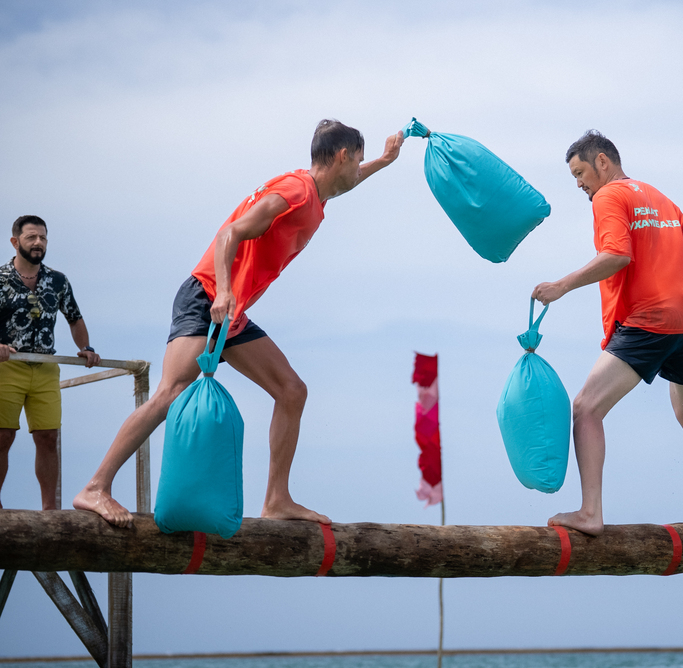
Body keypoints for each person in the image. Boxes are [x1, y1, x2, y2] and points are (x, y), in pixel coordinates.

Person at [74, 119, 404, 528]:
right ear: (341, 156)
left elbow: (348, 183)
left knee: (291, 391)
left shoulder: (314, 193)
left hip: (232, 312)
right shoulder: (296, 192)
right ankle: (95, 487)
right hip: (209, 295)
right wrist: (226, 291)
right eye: (357, 159)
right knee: (171, 392)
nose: (358, 168)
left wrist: (384, 162)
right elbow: (230, 232)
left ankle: (277, 499)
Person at [532, 130, 683, 536]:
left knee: (586, 408)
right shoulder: (659, 196)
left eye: (581, 172)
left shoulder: (609, 197)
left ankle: (590, 513)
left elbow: (616, 255)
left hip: (649, 319)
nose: (579, 183)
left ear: (602, 161)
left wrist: (562, 286)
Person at [0, 215, 101, 510]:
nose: (38, 243)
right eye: (31, 237)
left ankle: (50, 510)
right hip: (8, 366)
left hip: (45, 366)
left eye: (42, 238)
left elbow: (74, 317)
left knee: (48, 438)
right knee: (3, 436)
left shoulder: (57, 280)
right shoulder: (1, 278)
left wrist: (86, 348)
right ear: (15, 242)